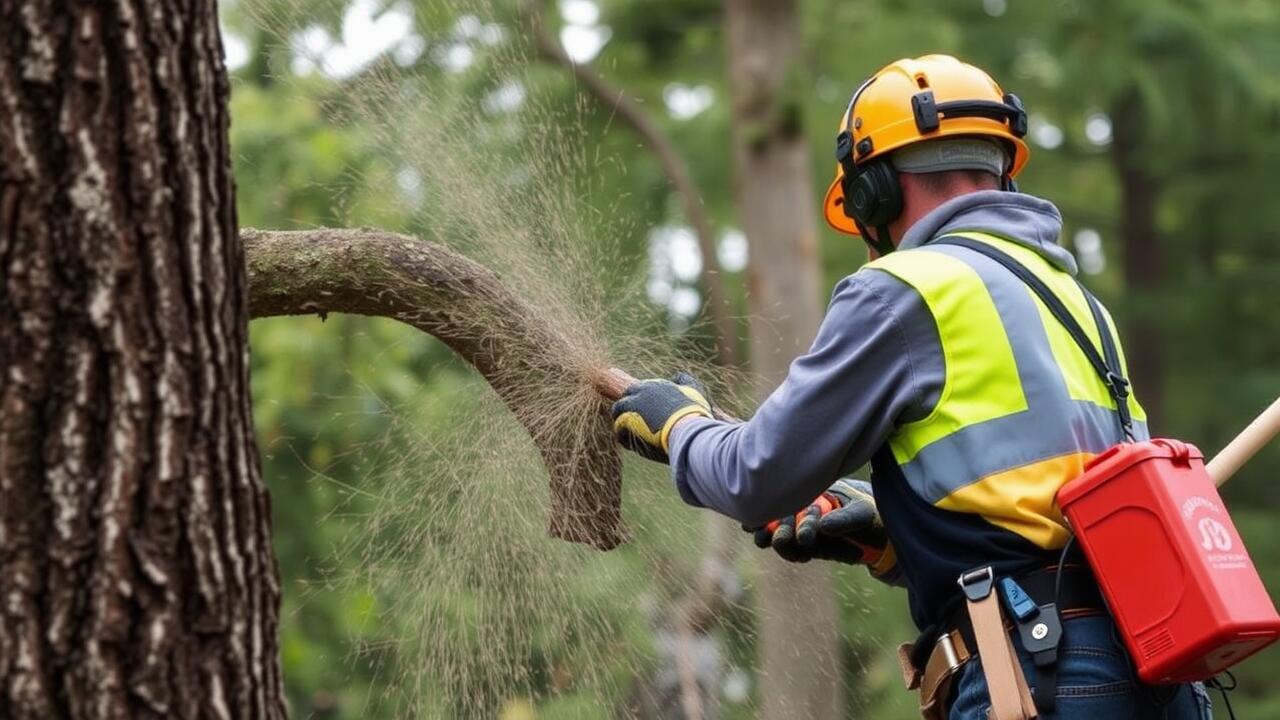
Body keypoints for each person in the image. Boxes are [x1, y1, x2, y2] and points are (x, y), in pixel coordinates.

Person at [611, 55, 1211, 719]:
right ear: (1002, 168)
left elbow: (758, 475)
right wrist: (889, 533)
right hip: (1155, 676)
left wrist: (682, 429)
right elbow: (1048, 521)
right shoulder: (1078, 304)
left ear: (873, 193)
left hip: (1040, 672)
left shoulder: (904, 290)